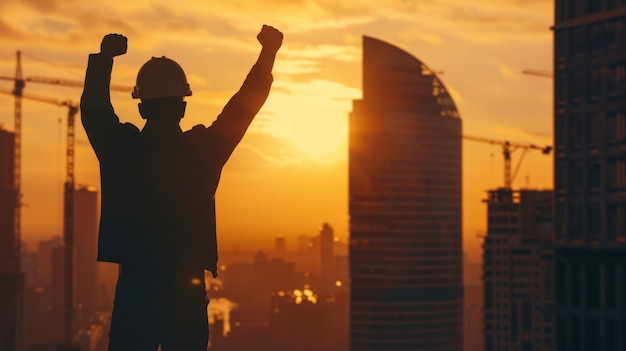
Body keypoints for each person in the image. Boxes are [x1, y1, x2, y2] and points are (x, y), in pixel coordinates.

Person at [80, 25, 283, 351]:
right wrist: (268, 52)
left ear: (141, 106)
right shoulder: (202, 152)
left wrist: (104, 59)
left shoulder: (122, 150)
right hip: (185, 297)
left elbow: (94, 110)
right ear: (183, 106)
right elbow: (245, 105)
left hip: (135, 290)